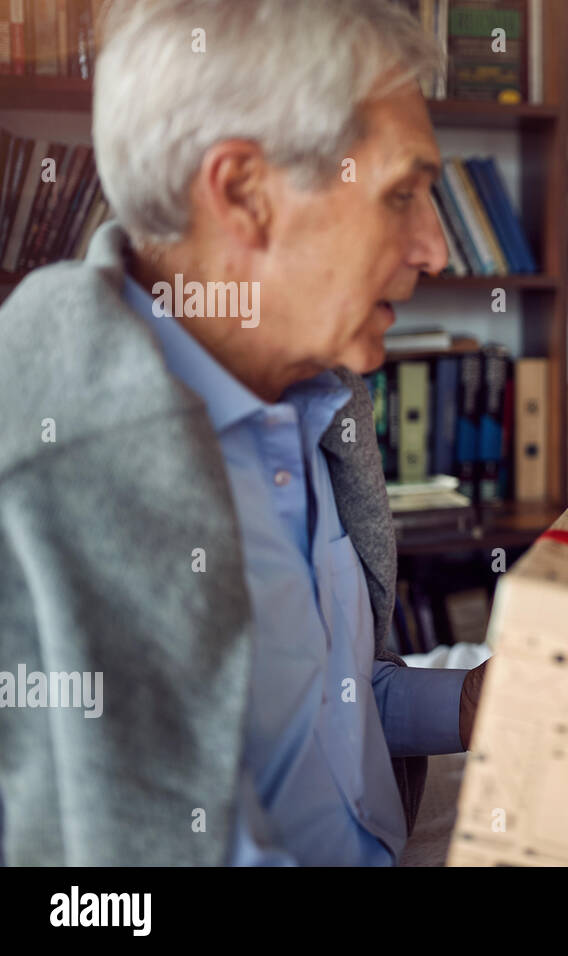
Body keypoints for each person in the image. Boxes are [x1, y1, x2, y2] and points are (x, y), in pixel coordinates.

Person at [0, 0, 485, 865]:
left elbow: (319, 705)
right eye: (402, 193)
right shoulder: (45, 480)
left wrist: (468, 707)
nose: (435, 249)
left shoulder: (319, 404)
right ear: (243, 193)